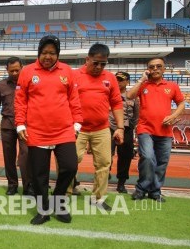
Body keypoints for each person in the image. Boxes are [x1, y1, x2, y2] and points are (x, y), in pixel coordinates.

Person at [15, 35, 82, 225]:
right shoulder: (27, 71)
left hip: (64, 131)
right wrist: (20, 123)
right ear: (39, 53)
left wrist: (77, 122)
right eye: (44, 52)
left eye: (52, 53)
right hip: (36, 131)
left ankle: (58, 201)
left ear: (58, 54)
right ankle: (43, 210)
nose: (48, 56)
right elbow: (20, 101)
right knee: (39, 174)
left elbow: (74, 100)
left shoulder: (68, 71)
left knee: (70, 166)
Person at [72, 43, 124, 211]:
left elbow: (116, 103)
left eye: (103, 64)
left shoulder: (110, 78)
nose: (99, 67)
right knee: (70, 162)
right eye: (95, 63)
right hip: (77, 129)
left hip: (102, 129)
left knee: (103, 164)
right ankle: (65, 193)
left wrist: (120, 127)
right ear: (87, 59)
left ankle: (98, 199)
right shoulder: (74, 76)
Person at [128, 57, 185, 202]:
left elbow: (181, 103)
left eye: (158, 66)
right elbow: (129, 96)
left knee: (161, 162)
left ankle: (155, 191)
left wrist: (174, 116)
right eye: (151, 67)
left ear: (164, 69)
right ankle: (141, 189)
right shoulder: (144, 85)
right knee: (147, 157)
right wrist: (141, 80)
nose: (155, 69)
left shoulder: (172, 86)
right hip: (145, 129)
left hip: (165, 131)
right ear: (148, 69)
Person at [0, 57, 32, 196]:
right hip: (7, 125)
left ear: (22, 68)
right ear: (6, 70)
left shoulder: (28, 84)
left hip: (25, 125)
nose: (14, 73)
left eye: (17, 70)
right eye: (11, 70)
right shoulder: (1, 85)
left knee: (26, 156)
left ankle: (28, 186)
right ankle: (12, 184)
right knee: (9, 156)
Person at [109, 72, 139, 193]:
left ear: (127, 82)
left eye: (121, 80)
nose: (118, 81)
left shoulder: (133, 97)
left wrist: (130, 126)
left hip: (126, 129)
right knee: (106, 155)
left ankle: (121, 182)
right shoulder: (108, 94)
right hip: (109, 127)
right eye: (116, 79)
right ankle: (104, 177)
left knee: (125, 157)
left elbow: (137, 115)